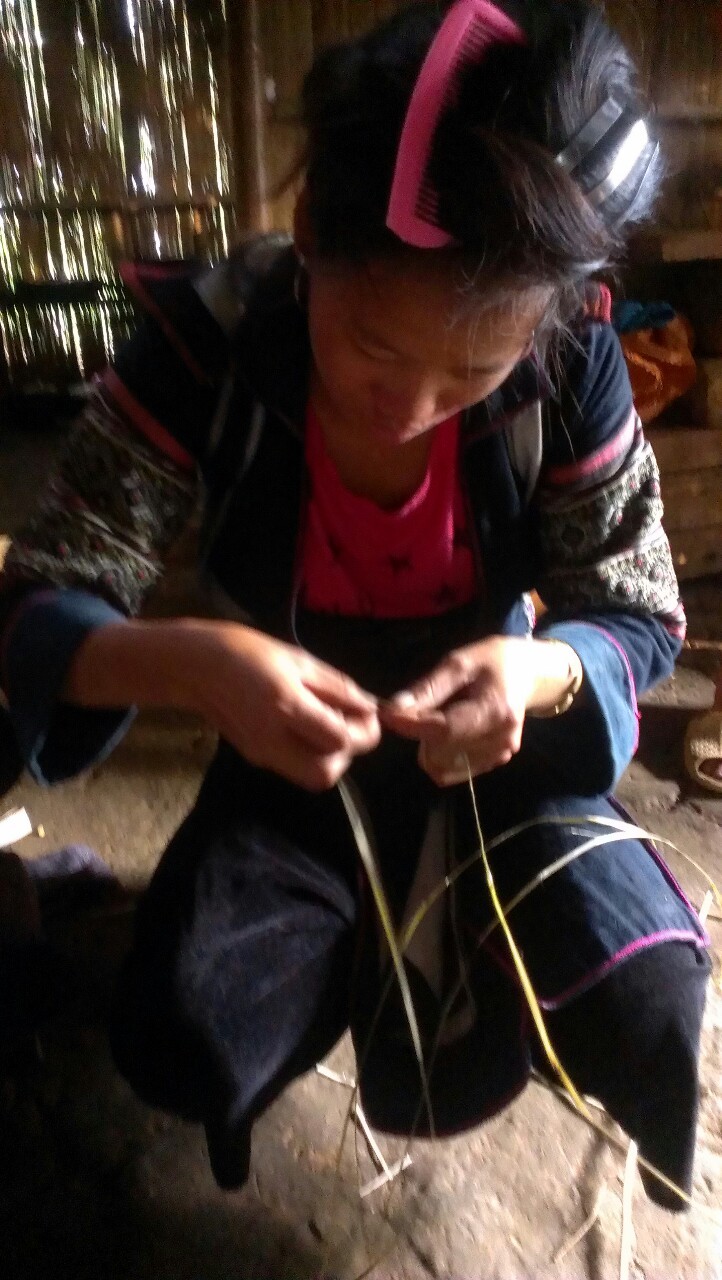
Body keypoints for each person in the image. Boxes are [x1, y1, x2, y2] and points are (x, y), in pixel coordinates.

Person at [0, 0, 710, 1210]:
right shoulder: (211, 341)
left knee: (643, 995)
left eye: (472, 371)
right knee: (182, 1030)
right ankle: (333, 962)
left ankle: (468, 976)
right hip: (289, 754)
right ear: (311, 236)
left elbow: (633, 609)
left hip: (497, 759)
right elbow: (36, 602)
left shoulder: (573, 355)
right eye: (376, 349)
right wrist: (196, 663)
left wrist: (539, 673)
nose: (412, 405)